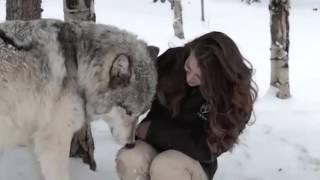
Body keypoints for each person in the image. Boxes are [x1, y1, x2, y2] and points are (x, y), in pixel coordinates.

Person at [115, 31, 258, 180]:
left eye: (199, 77)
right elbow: (140, 92)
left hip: (191, 160)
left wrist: (152, 131)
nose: (189, 78)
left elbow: (208, 148)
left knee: (165, 166)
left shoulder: (235, 97)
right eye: (188, 67)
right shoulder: (173, 60)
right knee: (129, 159)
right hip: (152, 143)